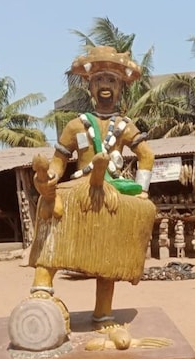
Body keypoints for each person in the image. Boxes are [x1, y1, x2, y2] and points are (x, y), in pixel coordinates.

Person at [28, 45, 155, 329]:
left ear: (120, 87)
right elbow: (59, 161)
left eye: (111, 80)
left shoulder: (125, 126)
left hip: (112, 190)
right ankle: (41, 287)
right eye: (99, 81)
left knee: (110, 246)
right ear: (90, 87)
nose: (105, 86)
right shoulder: (75, 126)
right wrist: (49, 178)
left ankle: (103, 311)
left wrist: (142, 189)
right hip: (80, 188)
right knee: (52, 207)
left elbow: (147, 155)